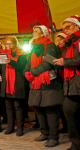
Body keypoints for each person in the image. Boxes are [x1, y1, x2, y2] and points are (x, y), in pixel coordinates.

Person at [24, 25, 63, 147]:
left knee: (50, 110)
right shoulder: (33, 46)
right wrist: (26, 72)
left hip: (48, 83)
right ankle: (44, 132)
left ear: (43, 33)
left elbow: (49, 62)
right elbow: (29, 61)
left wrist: (34, 71)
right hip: (36, 83)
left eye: (36, 31)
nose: (33, 33)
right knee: (39, 109)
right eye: (33, 31)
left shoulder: (50, 45)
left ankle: (53, 137)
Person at [54, 15, 80, 150]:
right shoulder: (69, 43)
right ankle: (76, 144)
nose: (66, 30)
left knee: (70, 111)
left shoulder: (78, 41)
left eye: (68, 27)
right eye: (64, 28)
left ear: (76, 25)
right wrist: (60, 63)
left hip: (77, 81)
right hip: (72, 83)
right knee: (69, 111)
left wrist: (66, 62)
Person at [0, 36, 27, 136]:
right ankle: (10, 126)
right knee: (8, 106)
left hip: (17, 82)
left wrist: (11, 61)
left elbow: (22, 67)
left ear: (16, 44)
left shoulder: (22, 54)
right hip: (6, 83)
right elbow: (1, 68)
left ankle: (20, 127)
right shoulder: (3, 54)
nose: (9, 46)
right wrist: (0, 76)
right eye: (7, 44)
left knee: (18, 106)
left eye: (11, 43)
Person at [56, 32, 68, 134]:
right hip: (60, 79)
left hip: (68, 78)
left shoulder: (68, 50)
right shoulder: (57, 50)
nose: (58, 42)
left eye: (60, 39)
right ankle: (65, 126)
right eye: (57, 40)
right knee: (62, 105)